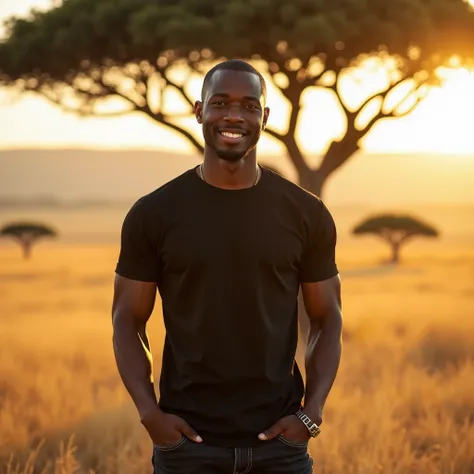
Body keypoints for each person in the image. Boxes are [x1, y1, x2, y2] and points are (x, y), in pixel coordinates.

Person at [112, 59, 343, 474]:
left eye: (249, 106)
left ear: (265, 117)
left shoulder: (306, 214)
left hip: (281, 450)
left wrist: (311, 414)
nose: (234, 115)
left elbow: (327, 318)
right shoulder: (154, 214)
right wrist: (151, 415)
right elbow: (127, 320)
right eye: (220, 103)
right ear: (200, 111)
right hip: (187, 450)